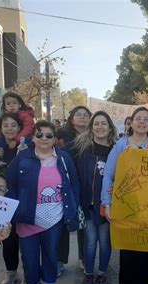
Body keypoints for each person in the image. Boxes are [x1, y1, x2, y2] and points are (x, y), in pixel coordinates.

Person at [7, 121, 80, 284]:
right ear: (33, 137)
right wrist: (16, 209)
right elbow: (11, 184)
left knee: (50, 256)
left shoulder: (63, 158)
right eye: (40, 135)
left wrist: (72, 206)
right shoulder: (22, 158)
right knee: (30, 259)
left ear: (55, 139)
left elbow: (74, 185)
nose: (44, 139)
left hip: (54, 217)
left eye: (49, 135)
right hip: (27, 217)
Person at [102, 107, 148, 284]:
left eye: (146, 119)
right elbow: (108, 174)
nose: (142, 122)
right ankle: (131, 283)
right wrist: (107, 203)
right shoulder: (121, 144)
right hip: (127, 203)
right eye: (138, 119)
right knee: (130, 245)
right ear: (131, 123)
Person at [66, 111, 117, 284]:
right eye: (96, 123)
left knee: (104, 242)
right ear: (91, 127)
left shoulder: (117, 150)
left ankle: (101, 274)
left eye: (104, 123)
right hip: (87, 204)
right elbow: (57, 153)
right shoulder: (82, 147)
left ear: (110, 127)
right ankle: (88, 274)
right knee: (89, 241)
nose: (100, 127)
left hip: (107, 206)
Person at [0, 113, 30, 284]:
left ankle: (28, 273)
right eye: (5, 125)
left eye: (13, 125)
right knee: (8, 240)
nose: (9, 128)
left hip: (23, 200)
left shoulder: (26, 146)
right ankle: (11, 273)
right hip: (3, 203)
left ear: (19, 128)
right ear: (1, 129)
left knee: (26, 239)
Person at [56, 106, 92, 272]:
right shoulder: (61, 136)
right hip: (66, 184)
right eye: (79, 114)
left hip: (87, 185)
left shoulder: (95, 136)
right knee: (64, 221)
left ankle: (84, 257)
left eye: (86, 115)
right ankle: (60, 260)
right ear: (72, 118)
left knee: (83, 223)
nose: (82, 117)